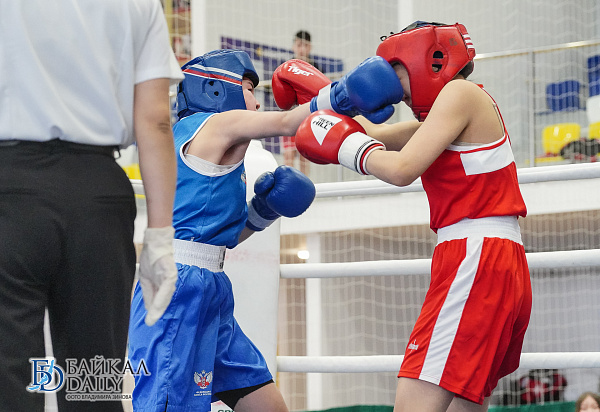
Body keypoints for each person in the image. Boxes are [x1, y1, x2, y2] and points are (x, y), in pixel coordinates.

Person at [279, 21, 532, 412]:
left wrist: (345, 145)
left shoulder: (460, 94)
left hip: (475, 257)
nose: (393, 86)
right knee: (462, 406)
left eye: (395, 71)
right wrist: (326, 97)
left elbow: (399, 169)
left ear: (426, 60)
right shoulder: (454, 109)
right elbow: (370, 133)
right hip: (492, 259)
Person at [0, 1, 183, 411]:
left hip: (11, 192)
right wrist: (160, 236)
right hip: (98, 198)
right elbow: (155, 120)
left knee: (6, 380)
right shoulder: (140, 4)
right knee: (93, 383)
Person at [281, 30, 322, 174]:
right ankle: (289, 183)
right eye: (299, 45)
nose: (302, 49)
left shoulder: (317, 68)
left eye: (305, 45)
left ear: (310, 47)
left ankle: (304, 184)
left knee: (304, 155)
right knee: (289, 155)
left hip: (308, 116)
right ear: (294, 46)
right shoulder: (286, 67)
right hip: (290, 115)